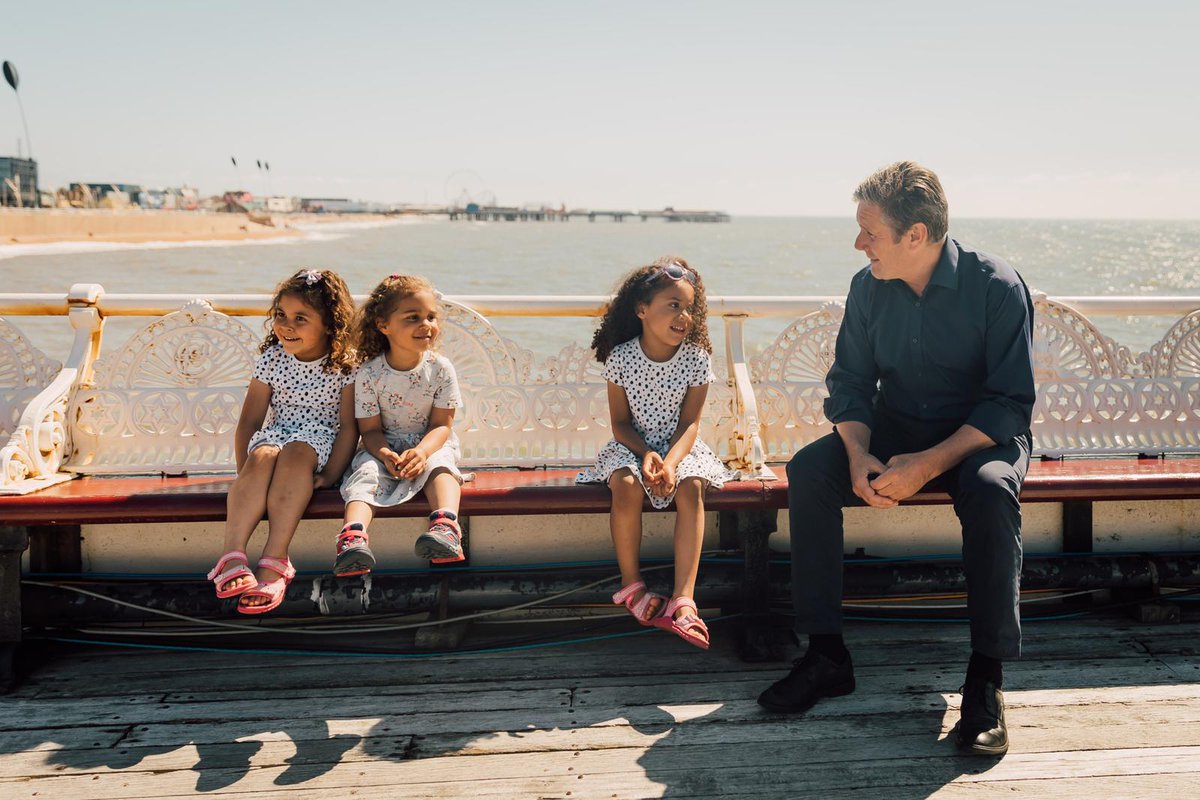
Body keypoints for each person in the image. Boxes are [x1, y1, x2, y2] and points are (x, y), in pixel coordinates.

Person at [757, 162, 1035, 756]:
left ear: (915, 236)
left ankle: (986, 678)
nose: (859, 245)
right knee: (809, 470)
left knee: (990, 491)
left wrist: (928, 464)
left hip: (977, 437)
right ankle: (826, 655)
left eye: (869, 233)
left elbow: (1009, 402)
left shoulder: (997, 286)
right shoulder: (867, 287)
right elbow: (852, 384)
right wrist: (858, 455)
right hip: (893, 427)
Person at [577, 256, 735, 649]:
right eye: (673, 305)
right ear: (642, 310)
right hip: (633, 445)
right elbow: (620, 424)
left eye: (690, 308)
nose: (684, 316)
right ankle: (632, 587)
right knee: (626, 484)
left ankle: (684, 600)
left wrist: (671, 462)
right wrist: (647, 453)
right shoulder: (622, 358)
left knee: (692, 486)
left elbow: (691, 425)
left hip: (681, 448)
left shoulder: (696, 359)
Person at [207, 268, 358, 614]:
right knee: (261, 457)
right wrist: (246, 473)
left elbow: (350, 428)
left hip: (319, 440)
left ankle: (275, 559)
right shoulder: (273, 359)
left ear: (330, 324)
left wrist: (331, 474)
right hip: (276, 436)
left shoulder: (346, 365)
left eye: (300, 318)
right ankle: (231, 558)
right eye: (281, 315)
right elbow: (250, 419)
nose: (286, 326)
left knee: (295, 454)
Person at [333, 274, 466, 575]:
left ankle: (446, 527)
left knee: (441, 467)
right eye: (413, 317)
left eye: (431, 317)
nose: (426, 324)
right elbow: (369, 430)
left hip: (429, 442)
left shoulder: (440, 369)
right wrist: (384, 454)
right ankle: (352, 538)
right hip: (384, 445)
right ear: (384, 326)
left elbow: (442, 425)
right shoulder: (369, 374)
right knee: (365, 473)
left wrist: (421, 452)